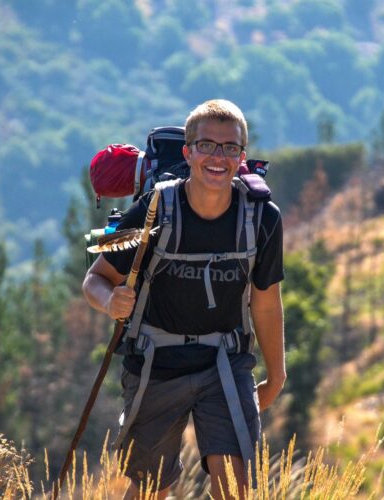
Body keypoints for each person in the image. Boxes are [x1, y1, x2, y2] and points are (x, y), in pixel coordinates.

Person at [83, 99, 285, 499]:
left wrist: (277, 376)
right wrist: (109, 302)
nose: (218, 157)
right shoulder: (153, 209)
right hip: (157, 362)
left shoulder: (263, 217)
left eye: (230, 148)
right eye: (207, 145)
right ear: (187, 152)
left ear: (242, 156)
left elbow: (265, 300)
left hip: (226, 363)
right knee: (152, 489)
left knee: (236, 487)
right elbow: (96, 278)